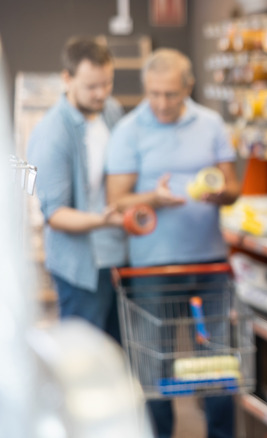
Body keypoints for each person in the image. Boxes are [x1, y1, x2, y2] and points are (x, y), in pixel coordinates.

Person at [105, 48, 241, 438]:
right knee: (156, 369)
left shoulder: (211, 123)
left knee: (217, 367)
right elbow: (117, 197)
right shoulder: (129, 131)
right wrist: (154, 198)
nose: (162, 103)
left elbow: (232, 187)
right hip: (152, 269)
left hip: (210, 265)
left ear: (188, 87)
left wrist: (220, 195)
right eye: (154, 94)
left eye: (170, 94)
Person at [27, 37, 126, 343]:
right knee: (85, 360)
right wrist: (105, 220)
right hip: (80, 269)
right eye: (91, 87)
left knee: (118, 357)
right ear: (67, 79)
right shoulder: (52, 133)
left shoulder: (112, 111)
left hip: (116, 257)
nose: (101, 94)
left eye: (107, 84)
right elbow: (55, 214)